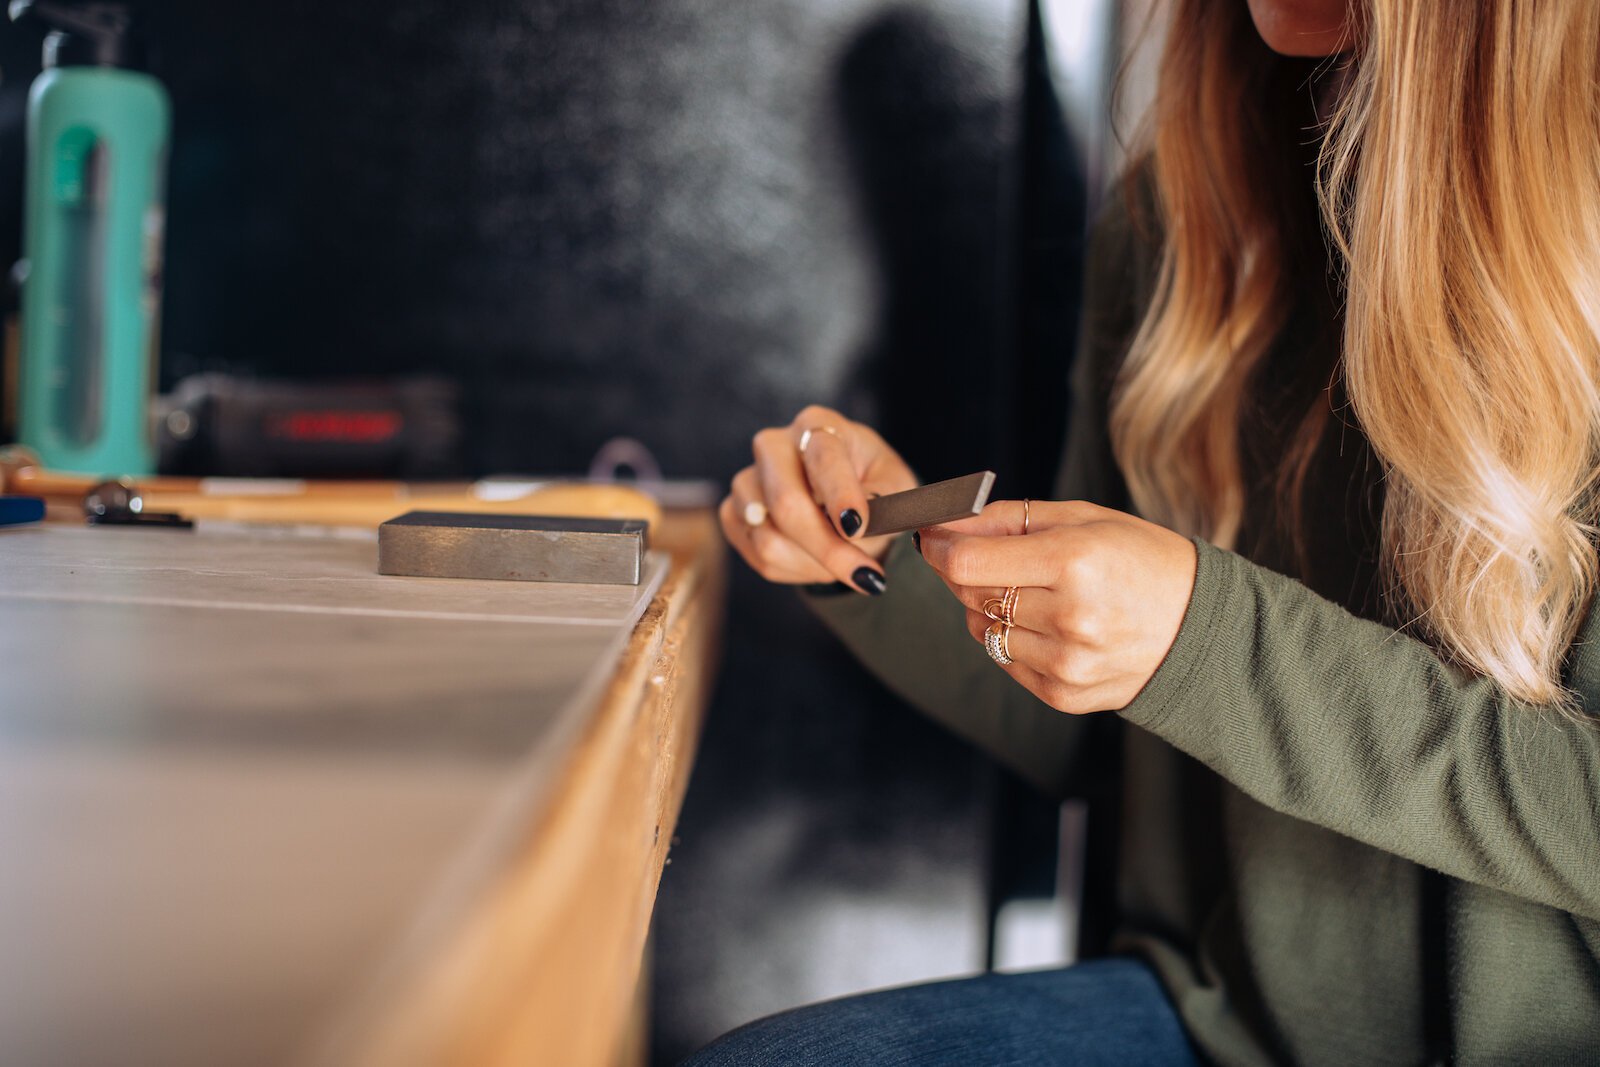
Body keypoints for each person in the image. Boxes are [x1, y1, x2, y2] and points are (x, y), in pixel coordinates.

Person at [694, 0, 1600, 1063]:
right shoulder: (1185, 223)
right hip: (1217, 1028)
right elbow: (1101, 735)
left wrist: (1207, 638)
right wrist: (865, 557)